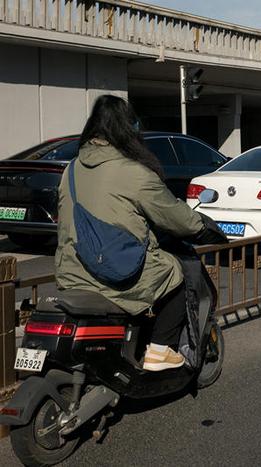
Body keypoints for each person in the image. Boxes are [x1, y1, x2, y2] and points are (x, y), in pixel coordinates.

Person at [55, 95, 205, 371]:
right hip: (112, 272)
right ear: (128, 129)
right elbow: (177, 217)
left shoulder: (71, 170)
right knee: (174, 273)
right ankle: (160, 351)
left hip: (72, 270)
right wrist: (201, 225)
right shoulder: (133, 172)